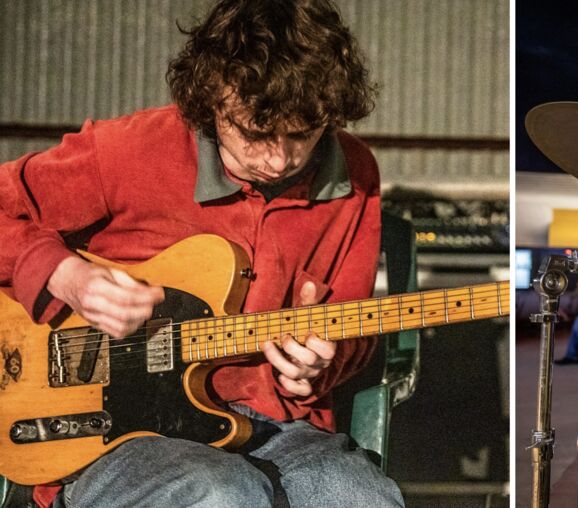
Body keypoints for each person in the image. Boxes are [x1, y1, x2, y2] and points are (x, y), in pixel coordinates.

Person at [0, 1, 403, 506]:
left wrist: (322, 364)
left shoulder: (355, 172)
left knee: (362, 497)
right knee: (220, 493)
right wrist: (62, 273)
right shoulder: (130, 150)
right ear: (212, 98)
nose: (279, 159)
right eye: (256, 133)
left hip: (277, 426)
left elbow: (351, 329)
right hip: (119, 434)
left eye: (302, 134)